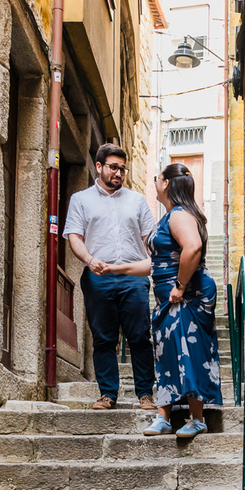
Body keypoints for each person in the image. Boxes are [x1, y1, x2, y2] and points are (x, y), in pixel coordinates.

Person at [105, 163, 223, 439]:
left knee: (189, 350)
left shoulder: (180, 215)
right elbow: (157, 264)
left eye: (158, 179)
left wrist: (180, 286)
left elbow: (192, 247)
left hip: (188, 295)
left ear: (167, 184)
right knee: (167, 352)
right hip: (171, 296)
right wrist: (116, 268)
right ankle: (164, 417)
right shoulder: (172, 215)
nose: (155, 183)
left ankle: (197, 418)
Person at [63, 143, 158, 411]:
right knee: (103, 338)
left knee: (140, 335)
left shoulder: (137, 201)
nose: (119, 173)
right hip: (97, 276)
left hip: (133, 277)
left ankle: (145, 394)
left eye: (122, 169)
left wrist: (155, 264)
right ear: (99, 167)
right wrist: (90, 260)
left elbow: (149, 240)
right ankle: (108, 395)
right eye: (113, 167)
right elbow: (74, 237)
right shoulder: (81, 200)